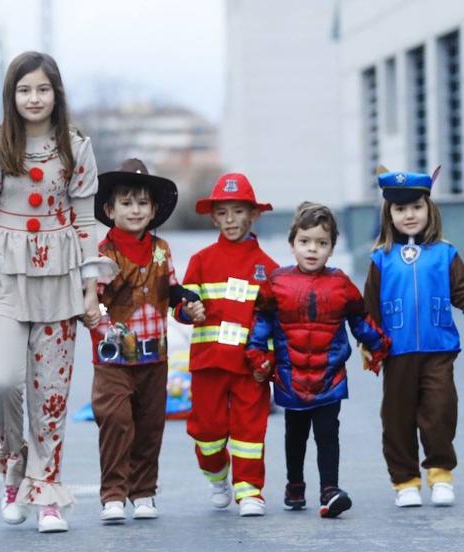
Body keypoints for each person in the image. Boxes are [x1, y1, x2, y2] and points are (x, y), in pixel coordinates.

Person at [0, 51, 107, 533]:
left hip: (60, 277)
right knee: (2, 380)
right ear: (10, 95)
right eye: (24, 90)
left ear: (56, 93)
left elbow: (84, 221)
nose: (33, 98)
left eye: (42, 89)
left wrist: (91, 288)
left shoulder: (76, 146)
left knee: (52, 395)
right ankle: (14, 459)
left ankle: (46, 491)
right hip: (6, 278)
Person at [246, 202, 391, 518]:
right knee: (294, 436)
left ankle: (329, 490)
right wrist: (257, 355)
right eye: (305, 241)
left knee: (328, 435)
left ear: (332, 247)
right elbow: (261, 323)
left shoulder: (340, 283)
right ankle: (294, 486)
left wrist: (379, 344)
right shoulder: (275, 283)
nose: (313, 249)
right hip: (290, 377)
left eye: (322, 243)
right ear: (292, 243)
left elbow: (360, 319)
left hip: (330, 378)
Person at [363, 166, 464, 508]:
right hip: (396, 351)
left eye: (416, 206)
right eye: (400, 209)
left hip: (438, 348)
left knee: (440, 410)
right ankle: (405, 481)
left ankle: (441, 473)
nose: (409, 215)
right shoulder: (380, 257)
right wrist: (367, 342)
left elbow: (463, 291)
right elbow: (368, 307)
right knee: (397, 418)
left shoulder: (445, 252)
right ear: (389, 214)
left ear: (430, 208)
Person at [88, 158, 200, 524]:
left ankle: (144, 491)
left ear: (153, 210)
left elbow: (170, 296)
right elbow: (92, 301)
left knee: (150, 426)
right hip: (113, 357)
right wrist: (92, 314)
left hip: (155, 355)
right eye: (126, 202)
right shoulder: (101, 253)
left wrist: (188, 311)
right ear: (110, 209)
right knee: (116, 420)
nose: (134, 210)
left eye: (142, 203)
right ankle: (114, 494)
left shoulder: (162, 250)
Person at [172, 173, 278, 517]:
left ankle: (249, 491)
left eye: (238, 212)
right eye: (223, 213)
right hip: (209, 363)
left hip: (250, 368)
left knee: (250, 431)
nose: (230, 220)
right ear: (213, 217)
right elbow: (182, 307)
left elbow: (275, 322)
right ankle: (217, 476)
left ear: (254, 215)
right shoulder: (201, 261)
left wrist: (269, 362)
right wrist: (189, 310)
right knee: (207, 432)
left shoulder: (270, 269)